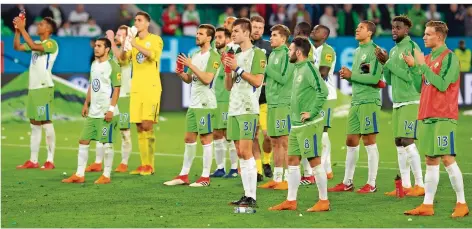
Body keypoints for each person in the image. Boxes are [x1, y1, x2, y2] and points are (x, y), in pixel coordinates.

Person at [403, 20, 469, 218]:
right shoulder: (428, 58)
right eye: (424, 33)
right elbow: (420, 87)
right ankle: (427, 205)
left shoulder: (450, 58)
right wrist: (415, 68)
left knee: (447, 159)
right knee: (431, 159)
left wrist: (422, 67)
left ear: (439, 37)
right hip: (428, 114)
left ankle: (462, 203)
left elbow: (442, 85)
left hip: (444, 116)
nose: (424, 37)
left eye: (428, 34)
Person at [268, 37, 329, 212]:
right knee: (292, 160)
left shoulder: (309, 68)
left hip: (309, 124)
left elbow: (322, 91)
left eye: (290, 50)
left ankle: (324, 201)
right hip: (295, 124)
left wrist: (312, 111)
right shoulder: (297, 68)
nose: (288, 52)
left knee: (314, 160)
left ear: (298, 52)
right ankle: (291, 200)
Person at [328, 21, 382, 194]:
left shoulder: (377, 52)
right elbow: (362, 76)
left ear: (370, 32)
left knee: (369, 141)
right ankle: (347, 182)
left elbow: (374, 80)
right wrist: (349, 77)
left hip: (369, 101)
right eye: (357, 27)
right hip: (356, 101)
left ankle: (371, 183)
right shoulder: (358, 51)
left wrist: (353, 75)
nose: (357, 29)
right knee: (351, 140)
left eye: (361, 28)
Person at [375, 15, 425, 197]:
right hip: (397, 101)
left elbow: (409, 75)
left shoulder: (412, 47)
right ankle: (405, 185)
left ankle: (420, 184)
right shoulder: (395, 50)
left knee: (407, 140)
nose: (394, 30)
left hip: (411, 99)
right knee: (398, 142)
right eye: (393, 27)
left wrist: (388, 62)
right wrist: (384, 65)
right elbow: (390, 79)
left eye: (398, 27)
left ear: (407, 30)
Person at [164, 24, 220, 187]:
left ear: (209, 38)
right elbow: (191, 79)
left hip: (206, 103)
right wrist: (182, 74)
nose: (197, 36)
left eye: (200, 34)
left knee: (205, 138)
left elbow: (207, 79)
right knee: (189, 138)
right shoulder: (195, 55)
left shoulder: (213, 56)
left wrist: (190, 66)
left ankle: (205, 177)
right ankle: (183, 175)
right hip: (194, 103)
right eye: (196, 33)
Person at [62, 37, 121, 184]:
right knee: (83, 140)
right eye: (95, 45)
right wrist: (86, 104)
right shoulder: (94, 64)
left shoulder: (113, 66)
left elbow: (117, 89)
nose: (96, 48)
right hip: (93, 112)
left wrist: (111, 109)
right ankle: (79, 174)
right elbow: (91, 85)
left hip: (106, 112)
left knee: (106, 144)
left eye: (99, 46)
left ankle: (106, 175)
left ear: (107, 49)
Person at [224, 18, 266, 207]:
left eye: (237, 31)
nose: (233, 34)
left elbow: (257, 81)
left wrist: (237, 69)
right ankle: (246, 194)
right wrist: (227, 70)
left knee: (247, 152)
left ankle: (252, 197)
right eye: (232, 31)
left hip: (248, 108)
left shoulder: (258, 54)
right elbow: (228, 87)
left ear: (247, 33)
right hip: (234, 107)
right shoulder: (236, 55)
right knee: (240, 152)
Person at [121, 12, 164, 176]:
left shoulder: (155, 39)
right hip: (136, 88)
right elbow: (123, 61)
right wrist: (125, 45)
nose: (136, 22)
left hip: (151, 87)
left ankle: (150, 165)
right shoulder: (134, 41)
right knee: (139, 126)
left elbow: (152, 55)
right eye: (135, 20)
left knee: (147, 124)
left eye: (139, 20)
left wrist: (134, 44)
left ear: (147, 23)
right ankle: (143, 164)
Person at [13, 17, 58, 171]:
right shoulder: (36, 46)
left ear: (49, 30)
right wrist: (18, 30)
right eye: (39, 23)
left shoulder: (51, 44)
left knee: (46, 122)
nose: (39, 25)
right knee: (34, 125)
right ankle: (33, 160)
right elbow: (17, 47)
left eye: (42, 24)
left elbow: (32, 44)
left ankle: (50, 160)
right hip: (33, 89)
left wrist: (23, 28)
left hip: (44, 88)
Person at [258, 24, 293, 190]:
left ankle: (287, 179)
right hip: (272, 102)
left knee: (283, 142)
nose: (270, 38)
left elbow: (284, 78)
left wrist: (267, 69)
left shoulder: (287, 54)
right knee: (275, 141)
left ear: (283, 39)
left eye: (274, 35)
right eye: (271, 35)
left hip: (282, 104)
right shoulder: (273, 55)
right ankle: (277, 179)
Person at [210, 27, 239, 178]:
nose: (217, 40)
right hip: (215, 99)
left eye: (220, 37)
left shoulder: (232, 54)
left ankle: (234, 168)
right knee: (216, 133)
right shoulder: (213, 55)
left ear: (228, 39)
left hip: (228, 98)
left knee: (229, 134)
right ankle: (220, 167)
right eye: (215, 37)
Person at [310, 24, 337, 180]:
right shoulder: (311, 50)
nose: (313, 31)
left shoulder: (327, 50)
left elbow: (323, 73)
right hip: (314, 96)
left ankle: (322, 167)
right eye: (314, 29)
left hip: (326, 96)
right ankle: (327, 170)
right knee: (316, 132)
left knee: (323, 132)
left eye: (317, 30)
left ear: (325, 36)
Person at [107, 25, 133, 172]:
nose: (117, 36)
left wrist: (111, 40)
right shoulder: (110, 52)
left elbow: (121, 58)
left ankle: (124, 162)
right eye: (116, 34)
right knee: (104, 127)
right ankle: (99, 161)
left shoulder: (128, 51)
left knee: (124, 131)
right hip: (110, 95)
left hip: (124, 95)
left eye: (120, 35)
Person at [293, 21, 316, 185]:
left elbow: (319, 85)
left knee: (307, 141)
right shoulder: (307, 50)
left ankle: (309, 174)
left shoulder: (306, 52)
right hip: (299, 101)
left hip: (306, 101)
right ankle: (307, 174)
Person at [250, 15, 273, 181]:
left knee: (268, 135)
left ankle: (266, 161)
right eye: (254, 27)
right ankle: (257, 170)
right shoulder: (242, 47)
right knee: (252, 136)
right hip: (249, 100)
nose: (257, 30)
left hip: (265, 99)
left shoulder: (268, 47)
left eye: (260, 27)